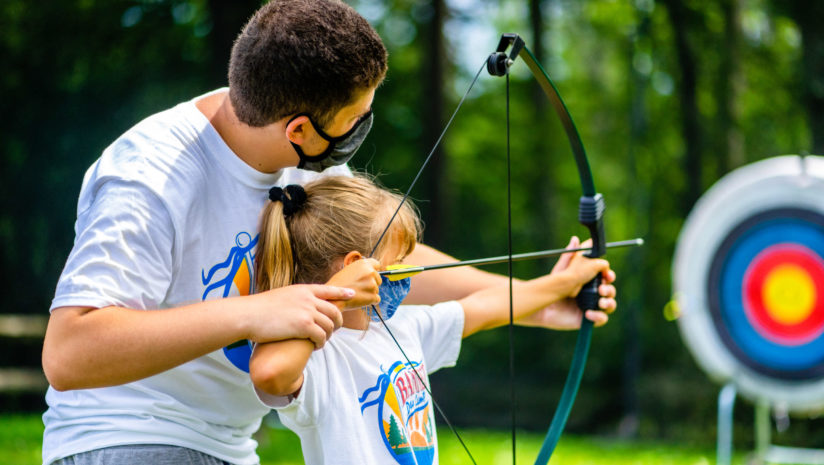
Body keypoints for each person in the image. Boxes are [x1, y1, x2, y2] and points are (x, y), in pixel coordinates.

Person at [41, 1, 614, 464]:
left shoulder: (304, 161)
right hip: (120, 439)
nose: (362, 128)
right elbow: (69, 353)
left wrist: (530, 297)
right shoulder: (150, 177)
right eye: (354, 120)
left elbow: (383, 259)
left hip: (228, 445)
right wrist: (257, 312)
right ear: (298, 128)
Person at [247, 174, 616, 465]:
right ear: (356, 268)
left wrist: (559, 284)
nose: (408, 272)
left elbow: (486, 308)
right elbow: (269, 373)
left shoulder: (405, 328)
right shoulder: (320, 358)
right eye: (399, 261)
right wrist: (338, 295)